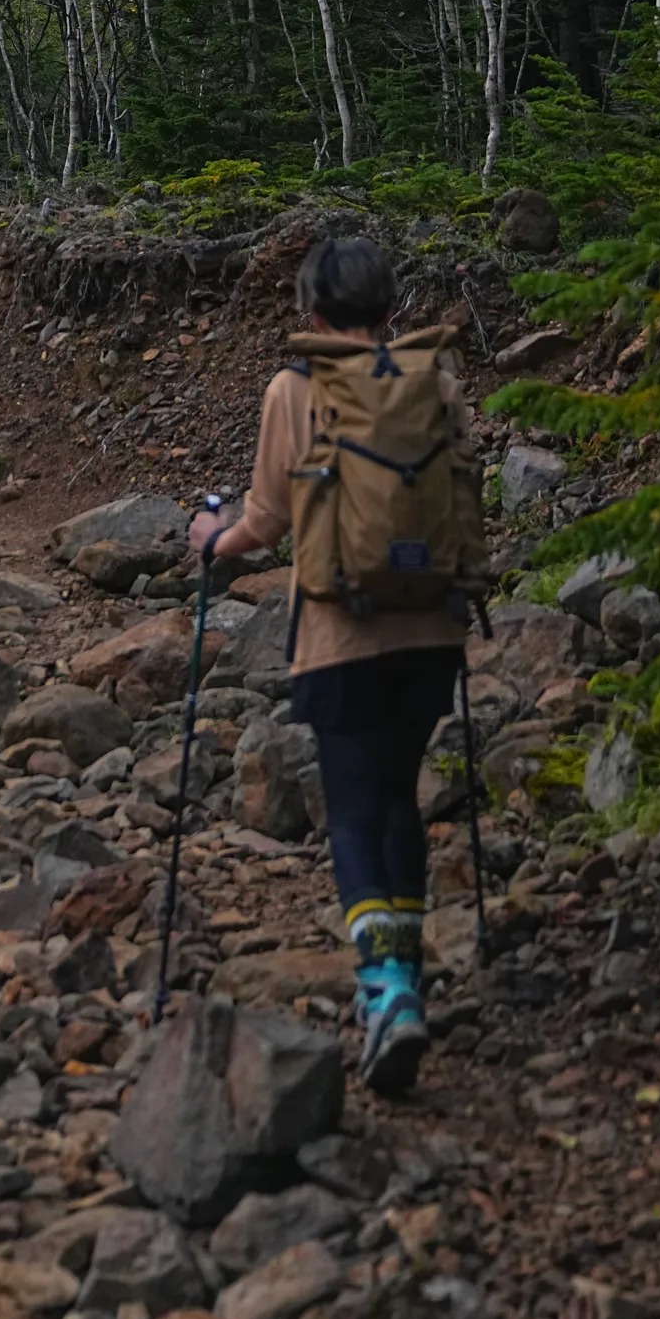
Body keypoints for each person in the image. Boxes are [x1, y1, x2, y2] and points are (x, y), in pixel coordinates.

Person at [190, 234, 479, 1095]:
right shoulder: (438, 382)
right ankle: (407, 977)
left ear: (311, 314)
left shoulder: (296, 387)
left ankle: (387, 991)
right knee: (399, 797)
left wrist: (212, 540)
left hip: (340, 635)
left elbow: (266, 521)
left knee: (352, 809)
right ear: (392, 310)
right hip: (431, 632)